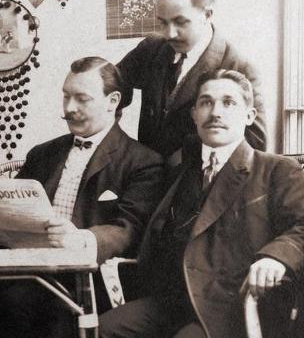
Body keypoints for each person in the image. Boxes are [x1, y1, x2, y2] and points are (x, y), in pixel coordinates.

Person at [99, 69, 304, 338]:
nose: (216, 112)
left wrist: (276, 258)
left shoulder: (277, 170)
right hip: (174, 301)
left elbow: (302, 226)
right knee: (101, 330)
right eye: (206, 102)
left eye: (229, 103)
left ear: (249, 116)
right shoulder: (179, 172)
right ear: (194, 114)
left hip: (233, 306)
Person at [0, 57, 164, 338]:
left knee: (45, 317)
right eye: (66, 96)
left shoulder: (143, 163)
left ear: (112, 101)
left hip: (88, 284)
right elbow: (12, 209)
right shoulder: (42, 154)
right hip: (30, 275)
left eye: (82, 99)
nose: (69, 108)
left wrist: (81, 239)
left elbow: (128, 229)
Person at [118, 0, 266, 161]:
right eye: (163, 23)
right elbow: (109, 89)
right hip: (146, 173)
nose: (170, 34)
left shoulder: (239, 66)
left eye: (180, 22)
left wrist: (182, 159)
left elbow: (255, 144)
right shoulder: (151, 48)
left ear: (207, 14)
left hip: (195, 177)